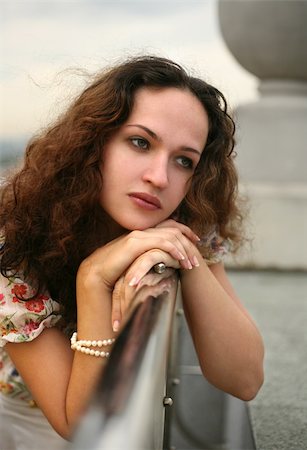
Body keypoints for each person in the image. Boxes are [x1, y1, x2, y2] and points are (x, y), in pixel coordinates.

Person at [0, 55, 264, 448]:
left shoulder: (188, 217)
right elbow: (80, 425)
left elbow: (244, 379)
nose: (159, 177)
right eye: (140, 142)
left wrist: (186, 257)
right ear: (94, 142)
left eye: (183, 161)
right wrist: (93, 278)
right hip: (23, 411)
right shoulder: (19, 240)